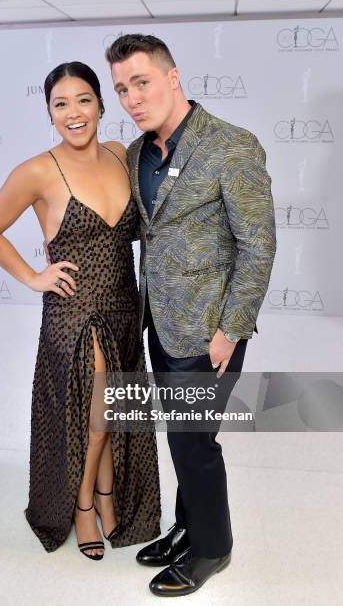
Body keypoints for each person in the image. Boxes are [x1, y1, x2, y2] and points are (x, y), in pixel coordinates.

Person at [104, 34, 277, 596]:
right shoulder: (136, 154)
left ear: (173, 77)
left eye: (141, 82)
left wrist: (231, 329)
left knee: (193, 442)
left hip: (211, 331)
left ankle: (212, 548)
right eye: (121, 88)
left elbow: (258, 246)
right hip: (162, 322)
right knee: (182, 436)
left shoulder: (232, 146)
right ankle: (188, 525)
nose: (131, 98)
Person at [0, 61, 161, 561]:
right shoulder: (37, 170)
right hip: (74, 311)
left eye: (83, 100)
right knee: (97, 414)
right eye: (61, 104)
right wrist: (34, 276)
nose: (74, 113)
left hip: (124, 304)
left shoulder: (123, 155)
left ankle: (106, 495)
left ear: (101, 104)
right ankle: (84, 504)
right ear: (50, 114)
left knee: (109, 409)